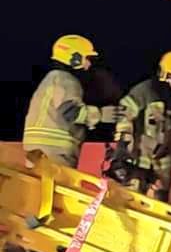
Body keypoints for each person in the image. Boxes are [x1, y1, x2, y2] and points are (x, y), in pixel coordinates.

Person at [109, 50, 171, 202]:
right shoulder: (145, 92)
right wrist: (122, 147)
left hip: (164, 165)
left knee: (159, 205)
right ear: (165, 74)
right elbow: (125, 115)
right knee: (130, 201)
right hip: (138, 159)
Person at [23, 34, 121, 168]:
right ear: (75, 59)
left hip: (38, 148)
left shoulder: (53, 78)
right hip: (55, 149)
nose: (89, 63)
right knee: (60, 186)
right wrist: (100, 115)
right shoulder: (66, 80)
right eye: (87, 58)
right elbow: (70, 112)